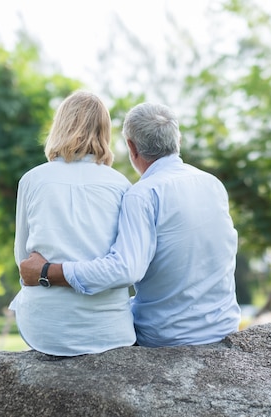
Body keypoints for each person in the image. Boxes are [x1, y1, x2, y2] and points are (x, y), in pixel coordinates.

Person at [20, 102, 241, 348]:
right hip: (223, 326)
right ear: (177, 140)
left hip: (166, 335)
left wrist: (47, 271)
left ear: (131, 147)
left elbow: (125, 269)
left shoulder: (143, 194)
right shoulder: (212, 184)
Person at [9, 91, 136, 356]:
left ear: (60, 127)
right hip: (110, 329)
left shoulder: (32, 180)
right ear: (104, 132)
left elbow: (23, 260)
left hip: (45, 331)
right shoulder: (122, 185)